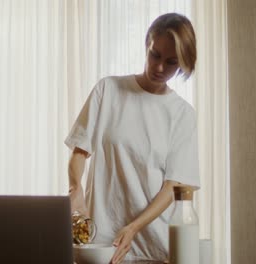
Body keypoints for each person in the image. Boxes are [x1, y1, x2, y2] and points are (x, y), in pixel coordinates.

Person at [65, 13, 200, 263]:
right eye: (155, 55)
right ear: (147, 44)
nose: (159, 68)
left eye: (171, 62)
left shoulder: (182, 115)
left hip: (152, 247)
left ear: (182, 64)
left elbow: (172, 188)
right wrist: (76, 191)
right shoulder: (108, 90)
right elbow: (79, 152)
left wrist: (133, 227)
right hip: (101, 245)